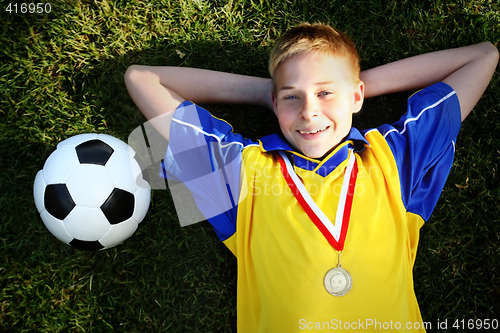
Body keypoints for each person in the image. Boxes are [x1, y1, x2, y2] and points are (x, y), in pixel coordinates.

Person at [125, 23, 498, 332]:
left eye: (324, 93)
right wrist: (270, 93)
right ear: (275, 103)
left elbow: (483, 57)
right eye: (292, 99)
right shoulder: (246, 172)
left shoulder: (392, 160)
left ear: (356, 96)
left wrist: (352, 88)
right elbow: (142, 79)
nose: (309, 112)